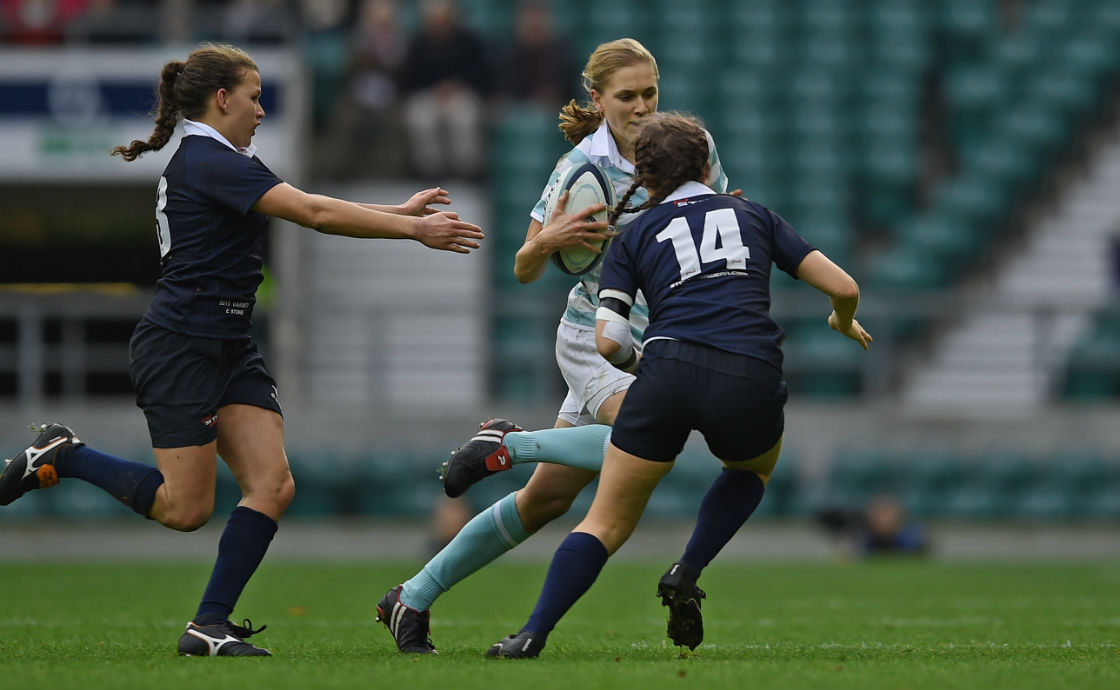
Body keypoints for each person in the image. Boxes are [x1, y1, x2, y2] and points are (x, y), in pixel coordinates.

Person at [0, 42, 483, 658]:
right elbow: (311, 211)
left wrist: (396, 211)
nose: (260, 110)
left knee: (273, 485)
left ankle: (208, 625)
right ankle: (66, 455)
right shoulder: (206, 156)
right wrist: (412, 229)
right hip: (181, 346)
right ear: (222, 99)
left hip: (227, 345)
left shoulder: (222, 158)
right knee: (185, 509)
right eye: (254, 98)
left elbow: (305, 203)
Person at [375, 37, 730, 654]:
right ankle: (509, 443)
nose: (642, 106)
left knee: (545, 500)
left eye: (650, 92)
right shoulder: (581, 168)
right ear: (598, 98)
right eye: (627, 96)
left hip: (657, 336)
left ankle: (411, 596)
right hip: (595, 337)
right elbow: (523, 266)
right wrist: (548, 239)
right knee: (653, 438)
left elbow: (722, 211)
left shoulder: (686, 147)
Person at [486, 111, 872, 658]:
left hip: (666, 370)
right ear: (706, 163)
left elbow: (609, 343)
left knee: (605, 520)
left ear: (644, 178)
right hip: (749, 372)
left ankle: (531, 635)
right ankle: (687, 569)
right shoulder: (752, 214)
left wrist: (655, 366)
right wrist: (841, 316)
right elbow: (844, 285)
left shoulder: (634, 234)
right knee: (751, 470)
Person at [396, 0, 489, 179]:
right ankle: (430, 172)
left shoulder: (468, 40)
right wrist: (434, 90)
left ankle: (465, 173)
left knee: (464, 117)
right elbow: (409, 79)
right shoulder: (419, 42)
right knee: (420, 117)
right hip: (428, 95)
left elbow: (479, 74)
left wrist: (455, 85)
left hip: (461, 93)